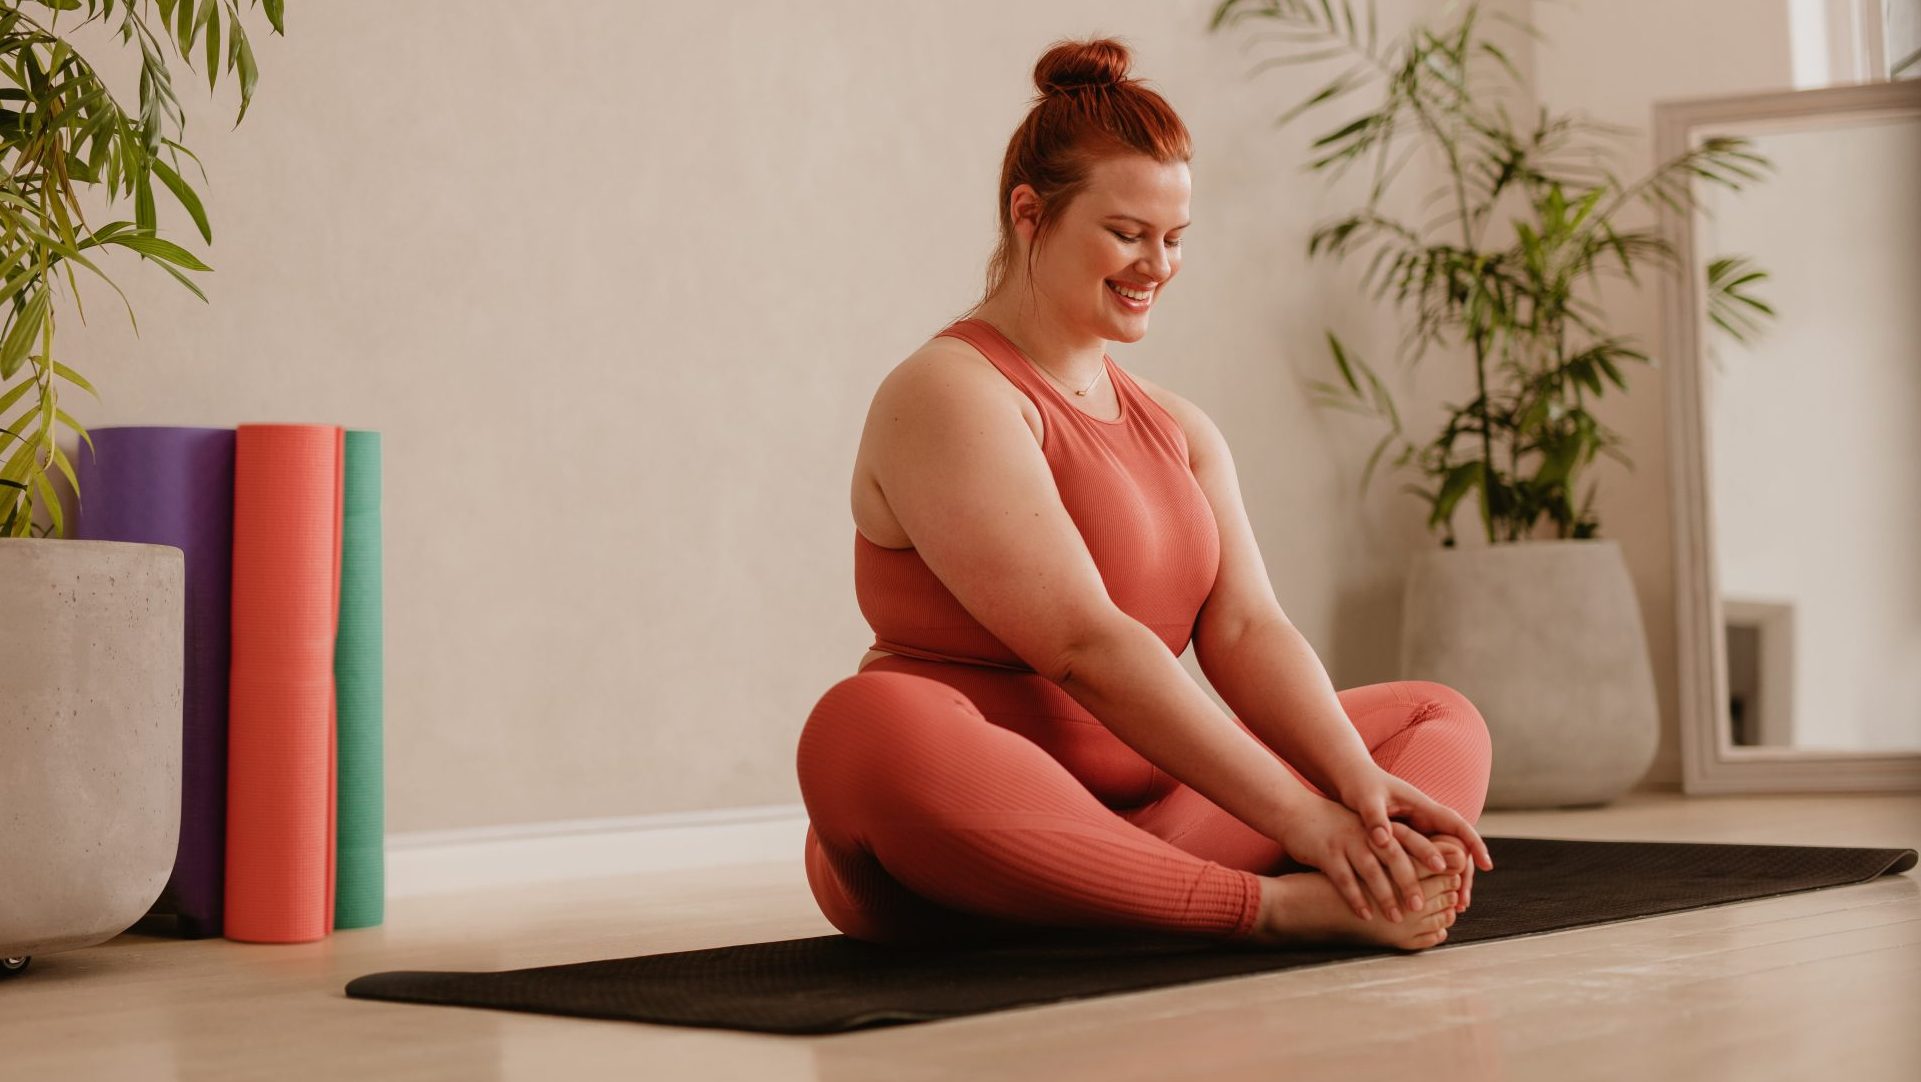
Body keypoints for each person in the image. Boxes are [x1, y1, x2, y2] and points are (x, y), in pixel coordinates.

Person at [796, 36, 1493, 951]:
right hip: (967, 825)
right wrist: (1301, 821)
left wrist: (1352, 782)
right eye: (1126, 234)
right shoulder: (949, 393)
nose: (1156, 265)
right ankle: (1272, 905)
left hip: (1167, 815)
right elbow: (1085, 644)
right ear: (1028, 215)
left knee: (1435, 720)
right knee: (865, 727)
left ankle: (1176, 890)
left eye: (1173, 239)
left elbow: (1246, 630)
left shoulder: (1180, 424)